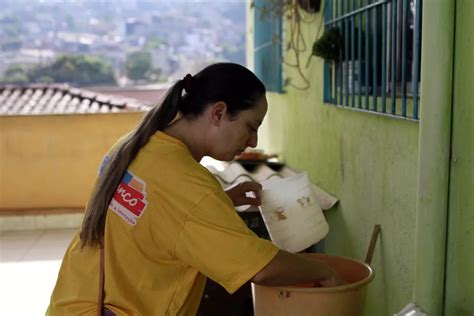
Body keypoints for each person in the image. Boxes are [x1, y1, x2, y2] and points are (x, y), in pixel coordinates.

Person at [47, 63, 343, 316]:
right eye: (251, 126)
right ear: (218, 113)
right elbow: (261, 267)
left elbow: (156, 213)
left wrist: (221, 201)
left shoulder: (134, 144)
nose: (252, 141)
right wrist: (324, 271)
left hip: (75, 301)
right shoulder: (189, 184)